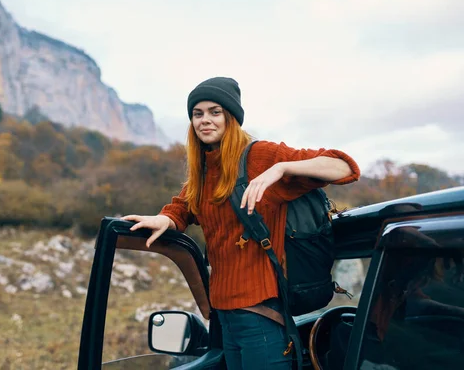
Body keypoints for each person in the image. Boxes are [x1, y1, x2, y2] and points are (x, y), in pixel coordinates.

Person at [122, 76, 361, 370]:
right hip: (224, 318)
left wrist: (281, 168)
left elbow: (345, 167)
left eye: (215, 112)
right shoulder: (204, 169)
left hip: (260, 317)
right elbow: (182, 208)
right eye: (198, 114)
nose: (205, 120)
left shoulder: (260, 156)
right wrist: (164, 219)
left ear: (231, 117)